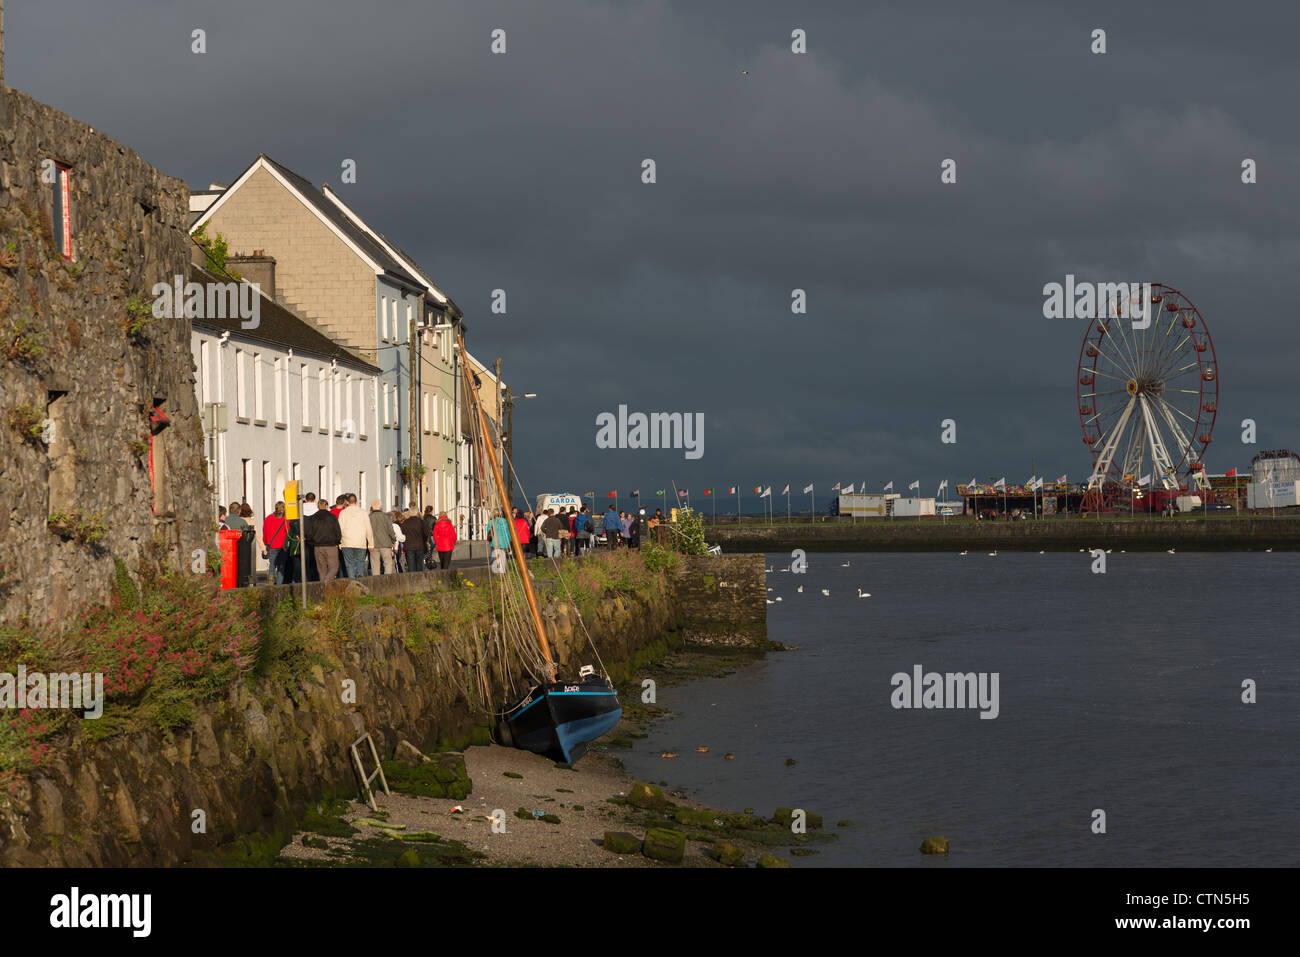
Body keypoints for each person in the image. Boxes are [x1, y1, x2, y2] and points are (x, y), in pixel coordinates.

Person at [305, 502, 342, 583]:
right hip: (331, 546)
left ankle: (323, 588)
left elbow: (309, 533)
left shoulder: (313, 517)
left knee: (321, 570)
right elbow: (337, 531)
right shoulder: (332, 517)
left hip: (318, 546)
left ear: (318, 506)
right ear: (326, 506)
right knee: (334, 567)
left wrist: (312, 543)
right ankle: (327, 582)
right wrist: (337, 541)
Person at [338, 495, 374, 578]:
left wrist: (340, 543)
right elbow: (368, 528)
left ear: (347, 502)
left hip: (347, 542)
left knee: (349, 564)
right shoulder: (363, 513)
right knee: (360, 562)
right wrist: (371, 543)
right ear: (356, 502)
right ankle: (360, 577)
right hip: (360, 542)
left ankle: (352, 582)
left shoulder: (343, 513)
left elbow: (340, 529)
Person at [261, 501, 290, 585]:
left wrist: (265, 544)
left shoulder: (268, 518)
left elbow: (265, 532)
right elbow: (288, 532)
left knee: (272, 565)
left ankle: (270, 582)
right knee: (281, 566)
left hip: (272, 546)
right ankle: (279, 585)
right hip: (282, 547)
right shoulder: (286, 519)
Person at [369, 501, 396, 574]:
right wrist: (393, 540)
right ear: (381, 507)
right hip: (385, 543)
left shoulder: (369, 517)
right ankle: (387, 580)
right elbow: (390, 530)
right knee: (387, 563)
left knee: (375, 564)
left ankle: (376, 581)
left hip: (373, 543)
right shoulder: (386, 516)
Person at [301, 493, 320, 582]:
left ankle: (306, 579)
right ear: (314, 499)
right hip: (315, 538)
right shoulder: (317, 509)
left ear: (305, 499)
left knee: (305, 561)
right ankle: (315, 579)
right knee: (315, 561)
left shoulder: (300, 509)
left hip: (303, 537)